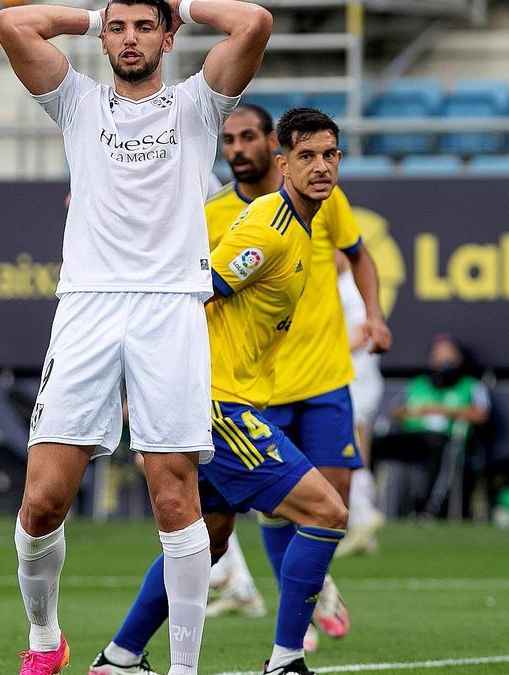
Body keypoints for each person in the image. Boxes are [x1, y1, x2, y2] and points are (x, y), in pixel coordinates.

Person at [0, 0, 271, 671]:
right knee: (41, 501)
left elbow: (255, 22)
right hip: (87, 306)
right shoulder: (77, 103)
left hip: (169, 308)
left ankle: (181, 667)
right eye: (118, 28)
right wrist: (97, 16)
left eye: (144, 26)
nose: (128, 38)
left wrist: (176, 3)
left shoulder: (197, 105)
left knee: (174, 496)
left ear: (169, 37)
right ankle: (44, 639)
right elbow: (11, 24)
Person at [90, 108, 348, 675]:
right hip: (215, 404)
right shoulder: (269, 227)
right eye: (306, 156)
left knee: (207, 538)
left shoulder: (301, 226)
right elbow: (194, 292)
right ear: (282, 164)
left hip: (218, 399)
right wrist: (145, 383)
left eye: (329, 155)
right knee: (326, 511)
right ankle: (285, 661)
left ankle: (120, 657)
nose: (320, 167)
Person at [202, 102, 391, 648]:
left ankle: (311, 589)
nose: (237, 148)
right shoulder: (221, 215)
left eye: (246, 137)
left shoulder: (323, 195)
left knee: (333, 500)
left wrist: (374, 315)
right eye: (228, 140)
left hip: (328, 372)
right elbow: (204, 290)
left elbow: (360, 256)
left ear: (270, 146)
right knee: (287, 507)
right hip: (263, 385)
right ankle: (297, 619)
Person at [382, 334, 489, 518]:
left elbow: (481, 415)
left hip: (444, 440)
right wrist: (419, 411)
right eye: (438, 355)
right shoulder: (418, 384)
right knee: (385, 447)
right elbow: (395, 410)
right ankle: (386, 509)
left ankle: (429, 508)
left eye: (448, 355)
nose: (443, 360)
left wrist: (442, 410)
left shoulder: (470, 386)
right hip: (412, 436)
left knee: (435, 452)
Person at [335, 250, 386, 556]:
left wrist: (326, 354)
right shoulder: (340, 285)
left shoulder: (351, 288)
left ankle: (365, 513)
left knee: (346, 447)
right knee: (354, 448)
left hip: (357, 379)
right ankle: (364, 528)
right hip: (354, 379)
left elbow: (361, 334)